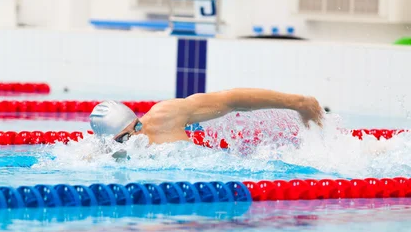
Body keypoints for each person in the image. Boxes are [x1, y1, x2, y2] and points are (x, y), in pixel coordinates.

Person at [89, 88, 324, 145]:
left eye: (137, 124)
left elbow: (231, 100)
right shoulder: (107, 158)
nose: (138, 133)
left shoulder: (166, 115)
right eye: (125, 138)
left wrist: (297, 103)